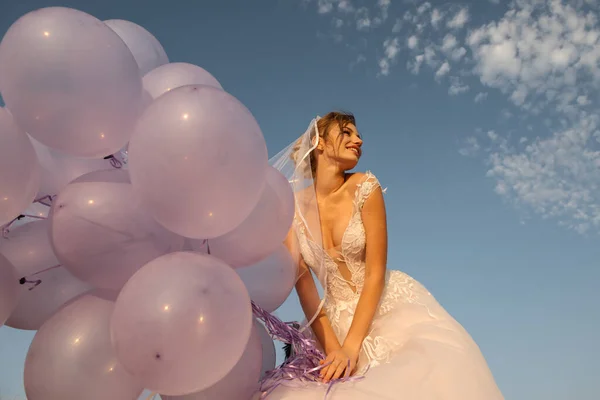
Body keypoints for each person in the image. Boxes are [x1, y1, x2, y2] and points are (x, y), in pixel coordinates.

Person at [263, 111, 504, 399]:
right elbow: (305, 290)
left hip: (383, 307)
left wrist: (352, 347)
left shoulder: (365, 187)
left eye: (358, 134)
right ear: (320, 143)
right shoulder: (292, 210)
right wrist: (334, 350)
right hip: (328, 325)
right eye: (347, 132)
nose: (359, 140)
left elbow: (376, 272)